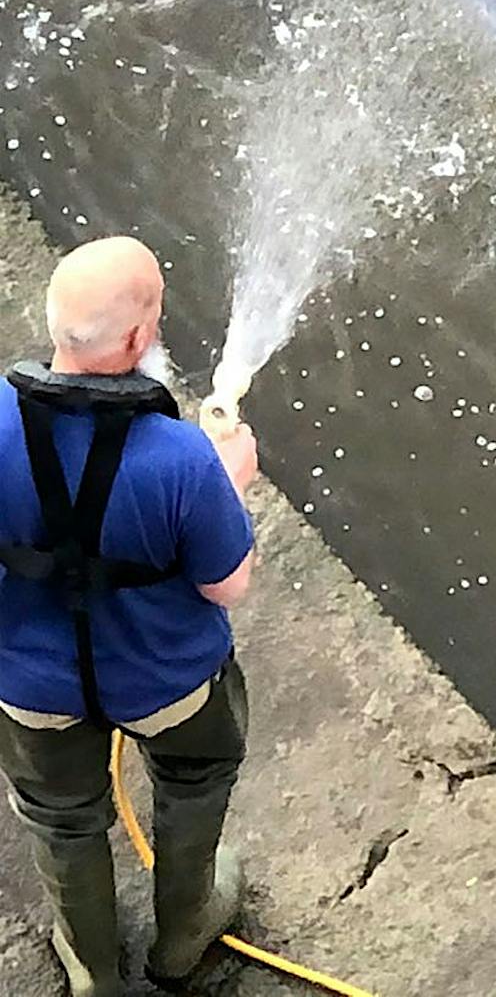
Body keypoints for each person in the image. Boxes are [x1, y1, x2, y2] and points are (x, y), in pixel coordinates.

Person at [0, 236, 259, 996]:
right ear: (140, 339)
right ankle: (184, 934)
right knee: (194, 778)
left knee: (63, 818)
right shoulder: (182, 458)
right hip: (167, 682)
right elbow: (226, 587)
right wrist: (227, 480)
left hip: (33, 691)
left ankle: (92, 969)